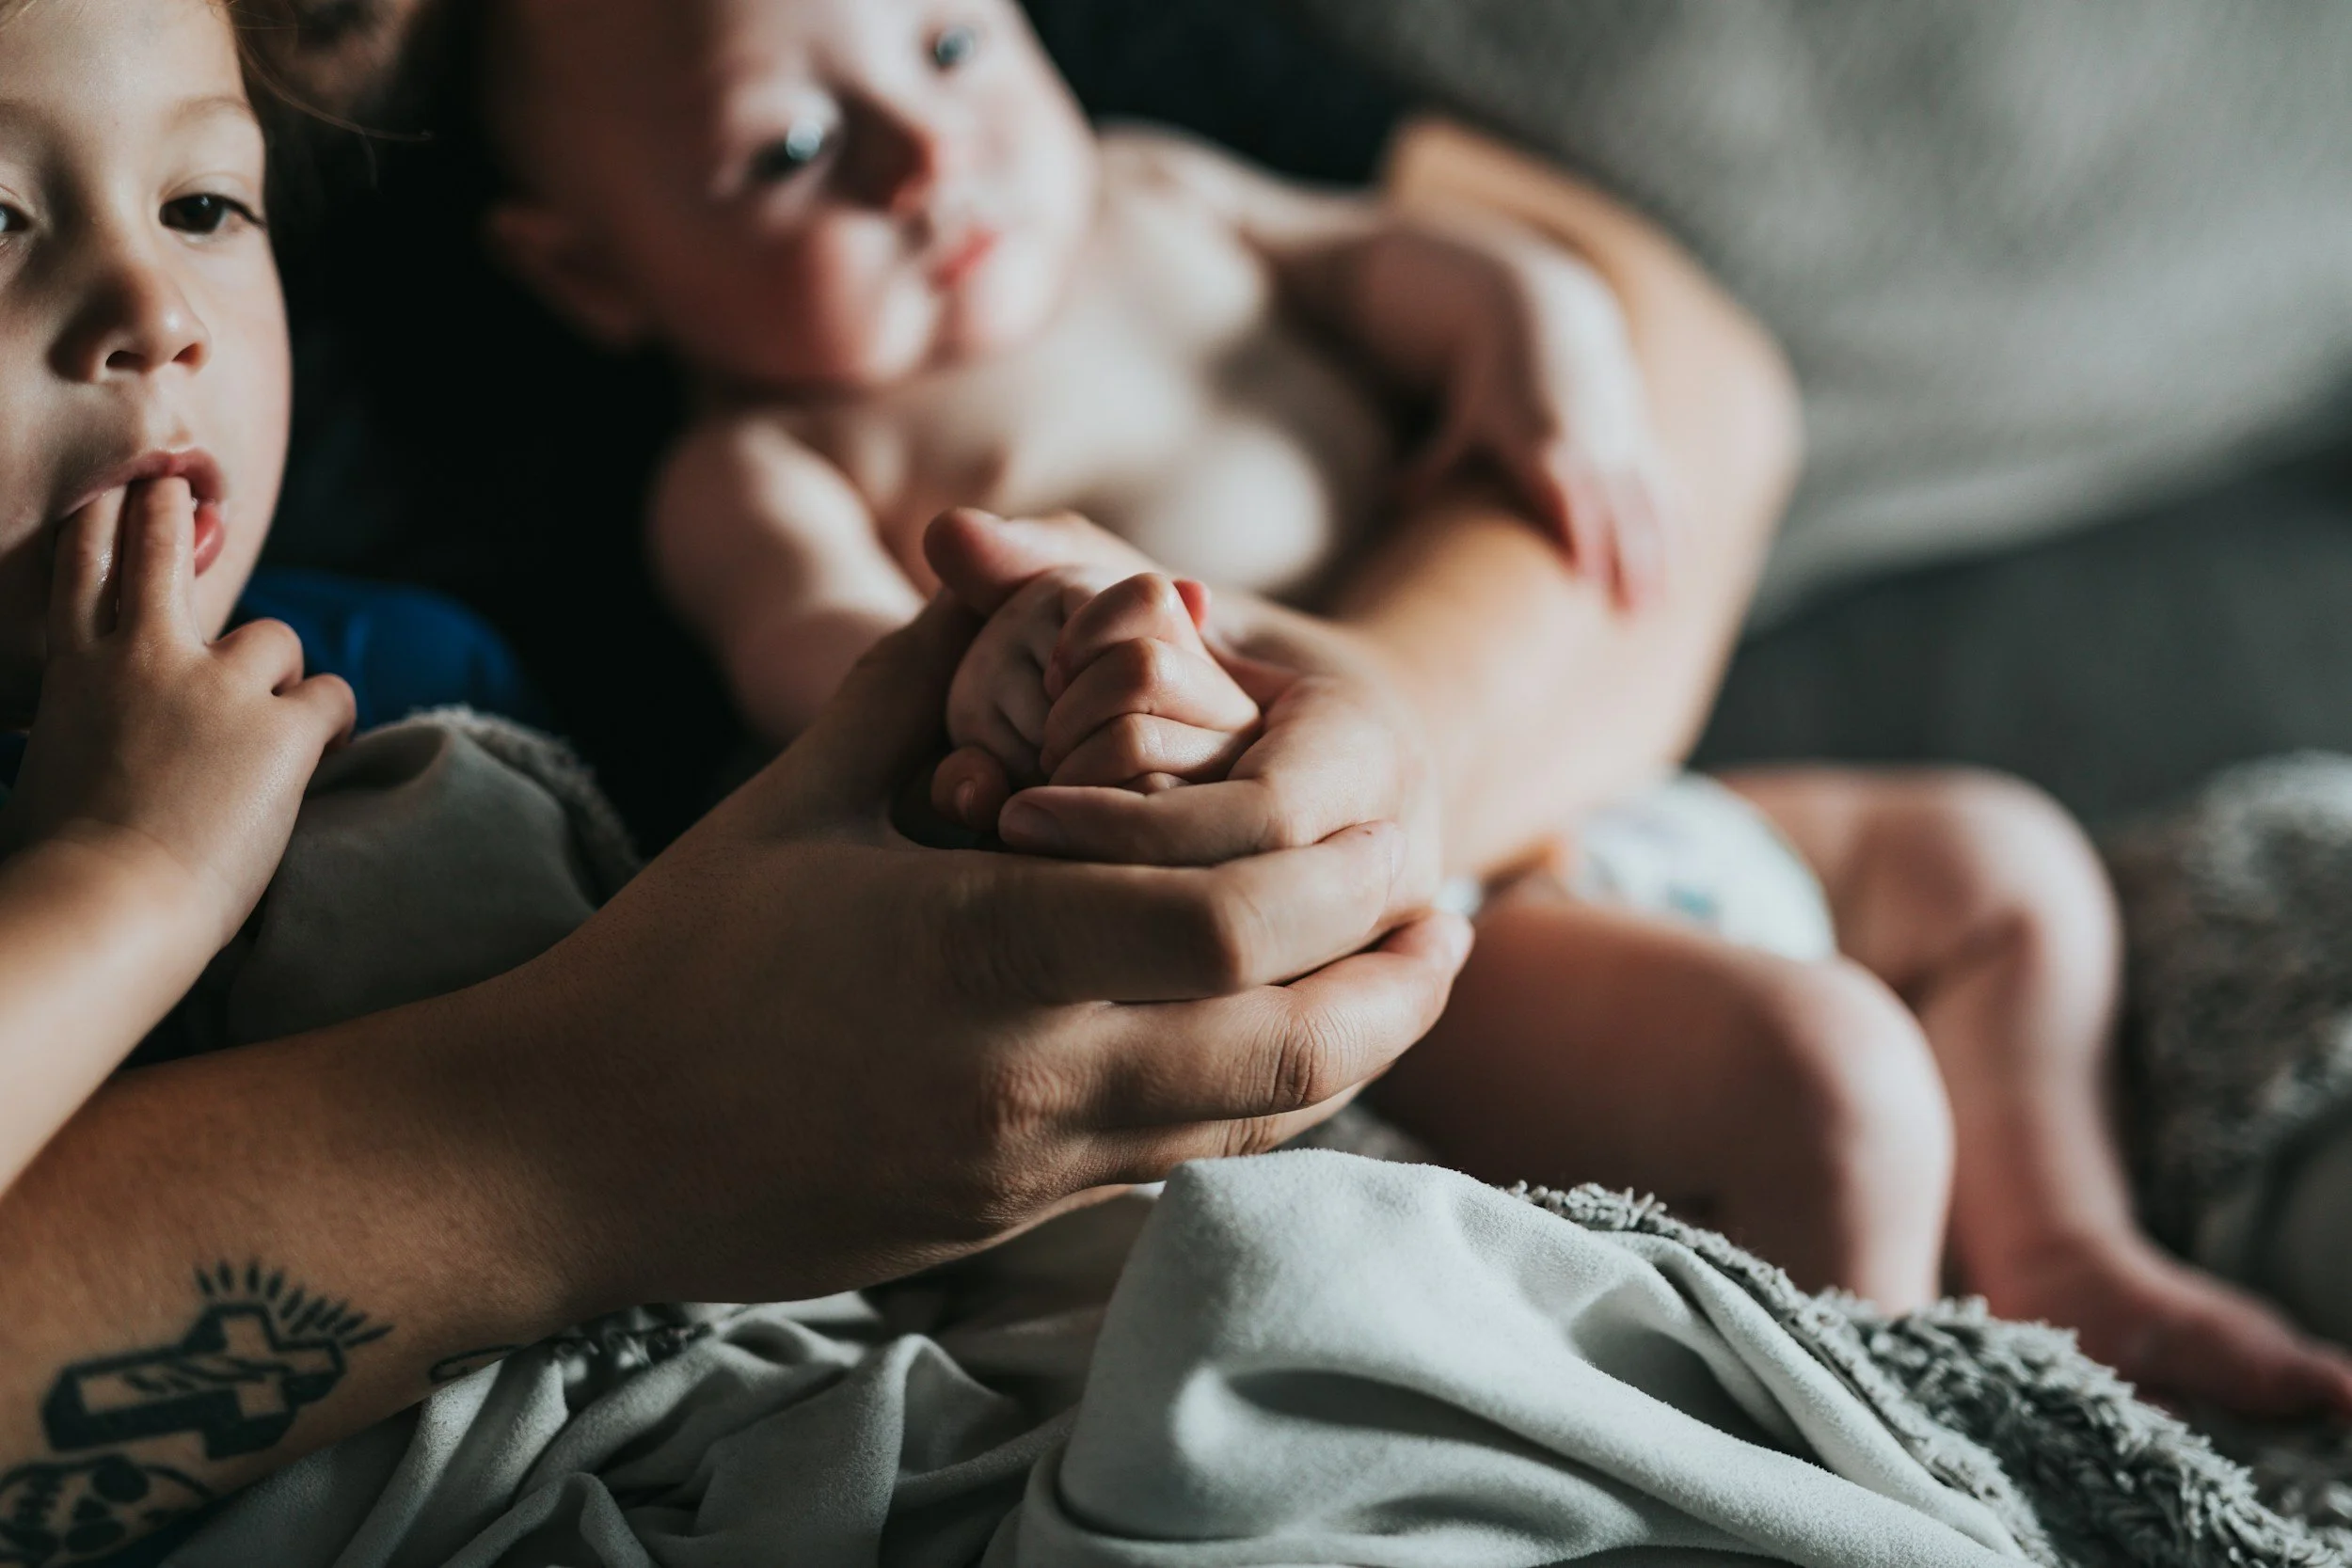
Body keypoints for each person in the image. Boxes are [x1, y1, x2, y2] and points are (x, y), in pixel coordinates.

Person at [473, 0, 2352, 1416]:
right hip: (1396, 945)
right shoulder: (769, 459)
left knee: (2003, 859)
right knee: (1828, 1073)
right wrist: (996, 654)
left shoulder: (1156, 189)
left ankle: (2060, 1244)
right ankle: (1855, 1438)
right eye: (790, 152)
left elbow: (1424, 266)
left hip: (1585, 795)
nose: (920, 158)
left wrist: (1544, 362)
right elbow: (813, 653)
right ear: (589, 267)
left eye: (952, 43)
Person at [0, 1, 1473, 1555]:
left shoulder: (408, 668)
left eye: (204, 206)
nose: (151, 307)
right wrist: (128, 870)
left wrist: (1100, 700)